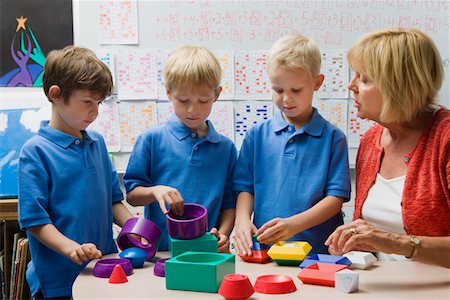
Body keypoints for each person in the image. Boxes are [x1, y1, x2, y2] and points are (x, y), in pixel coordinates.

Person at [325, 28, 450, 268]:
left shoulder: (445, 139)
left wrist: (397, 243)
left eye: (364, 79)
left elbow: (389, 241)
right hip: (380, 284)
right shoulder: (371, 140)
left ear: (398, 86)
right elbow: (374, 237)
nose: (351, 86)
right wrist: (355, 239)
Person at [18, 46, 137, 299]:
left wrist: (137, 227)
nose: (95, 111)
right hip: (59, 282)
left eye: (98, 103)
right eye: (87, 102)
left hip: (103, 271)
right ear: (56, 94)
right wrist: (72, 249)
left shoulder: (98, 143)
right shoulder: (35, 152)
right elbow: (35, 222)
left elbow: (114, 202)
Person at [233, 34, 351, 256]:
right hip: (265, 253)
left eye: (296, 90)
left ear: (317, 83)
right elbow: (244, 188)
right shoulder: (256, 136)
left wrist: (293, 225)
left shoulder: (334, 139)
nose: (286, 99)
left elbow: (335, 200)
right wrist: (241, 221)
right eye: (278, 90)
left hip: (319, 254)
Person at [123, 45, 237, 253]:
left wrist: (224, 233)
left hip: (207, 253)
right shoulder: (151, 139)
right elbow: (132, 195)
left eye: (203, 101)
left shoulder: (226, 149)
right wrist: (156, 190)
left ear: (217, 94)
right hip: (160, 255)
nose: (193, 110)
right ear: (168, 92)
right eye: (183, 100)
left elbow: (230, 202)